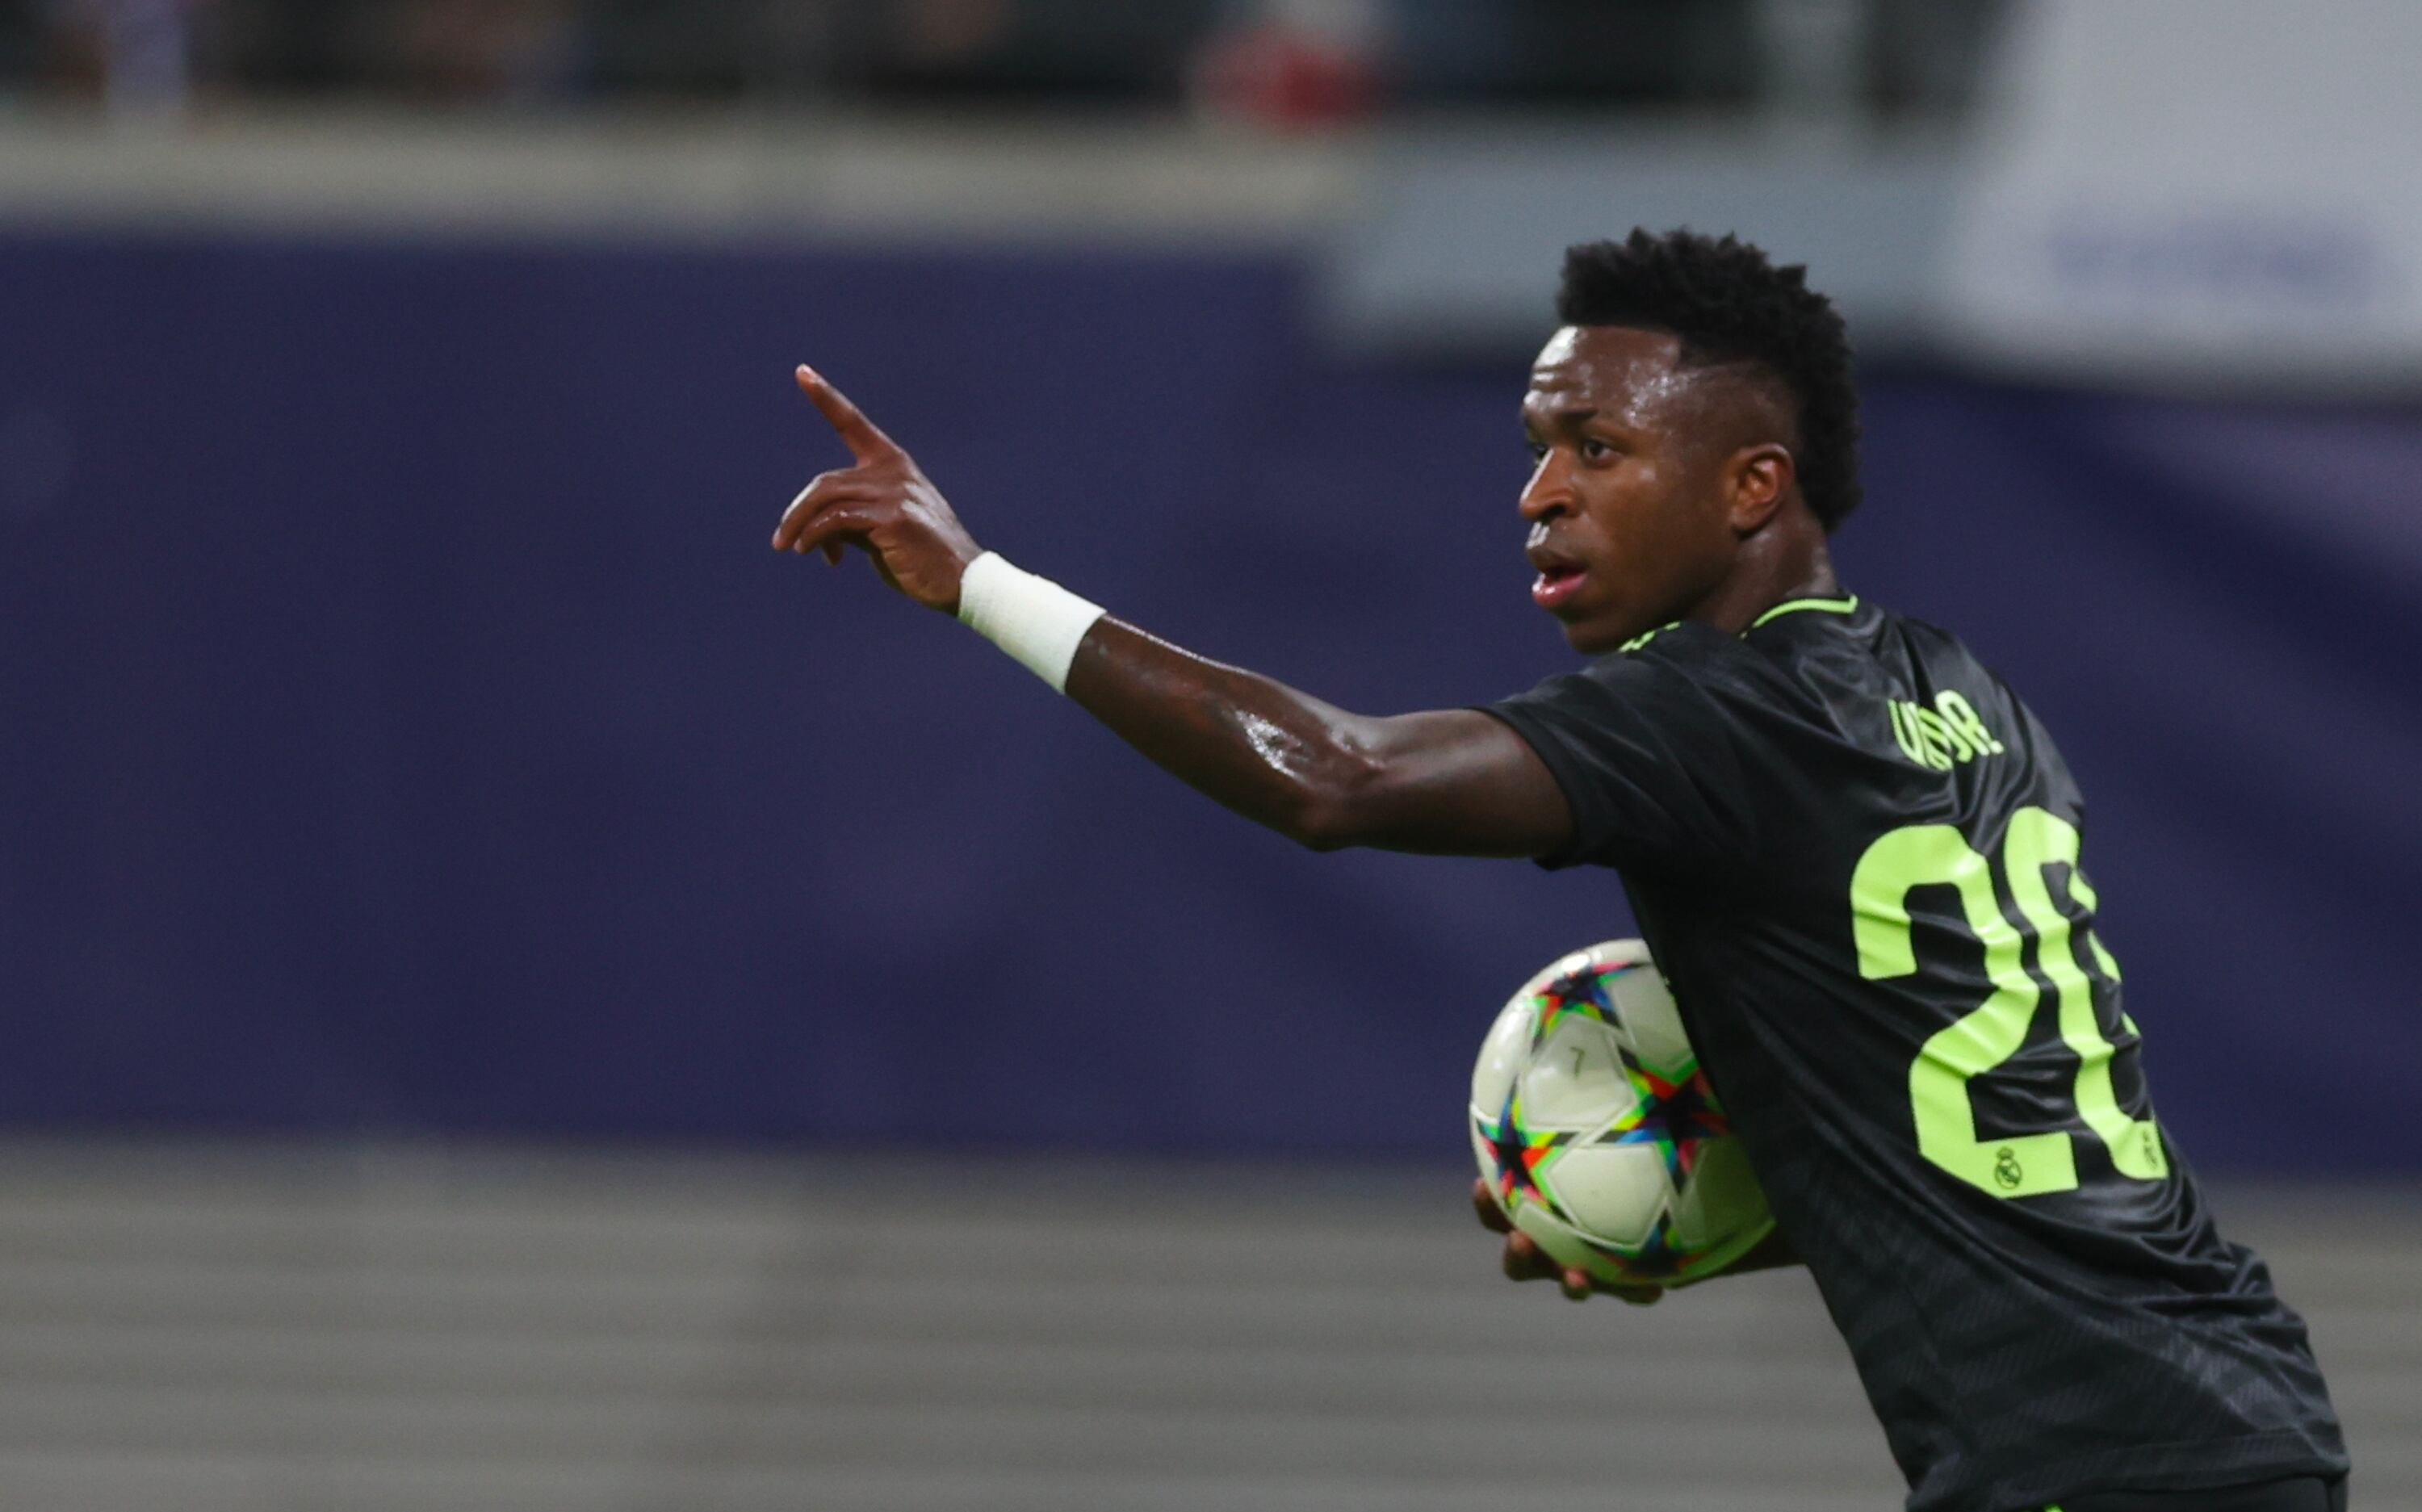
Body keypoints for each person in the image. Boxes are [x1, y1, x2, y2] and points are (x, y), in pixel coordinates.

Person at [767, 228, 2349, 1512]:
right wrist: (1708, 1212)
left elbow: (1336, 778)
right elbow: (1977, 1121)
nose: (1540, 493)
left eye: (1597, 446)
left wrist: (978, 581)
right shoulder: (1958, 689)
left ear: (1752, 486)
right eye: (1538, 447)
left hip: (2090, 1461)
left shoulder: (1723, 711)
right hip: (2236, 1413)